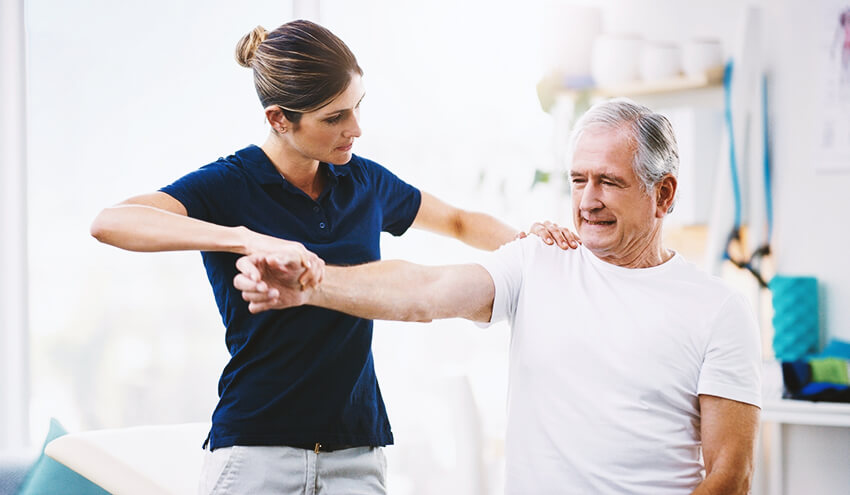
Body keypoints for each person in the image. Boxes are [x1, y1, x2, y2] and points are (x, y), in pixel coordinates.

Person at [89, 19, 578, 495]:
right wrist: (244, 238)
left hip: (356, 452)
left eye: (356, 108)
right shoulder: (229, 184)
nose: (356, 129)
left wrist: (531, 243)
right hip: (257, 453)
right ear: (279, 119)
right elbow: (112, 221)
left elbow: (458, 222)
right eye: (335, 118)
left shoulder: (364, 182)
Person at [235, 98, 763, 495]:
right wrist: (313, 284)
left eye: (609, 182)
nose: (588, 200)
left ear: (663, 194)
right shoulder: (538, 261)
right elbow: (428, 291)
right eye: (578, 180)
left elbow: (730, 473)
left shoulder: (718, 309)